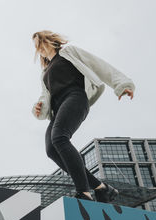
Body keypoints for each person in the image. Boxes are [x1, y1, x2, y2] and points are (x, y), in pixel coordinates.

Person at [31, 30, 135, 201]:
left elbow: (98, 65)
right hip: (57, 109)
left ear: (49, 40)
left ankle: (84, 192)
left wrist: (121, 84)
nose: (38, 48)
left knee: (59, 138)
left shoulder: (68, 52)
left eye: (40, 43)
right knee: (51, 149)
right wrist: (39, 108)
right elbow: (45, 97)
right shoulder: (44, 74)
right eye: (36, 47)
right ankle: (101, 188)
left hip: (75, 97)